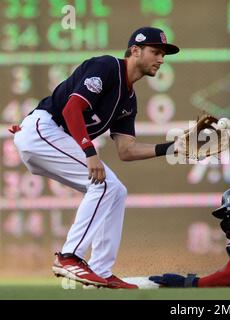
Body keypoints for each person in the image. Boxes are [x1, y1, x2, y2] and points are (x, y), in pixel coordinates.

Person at [11, 27, 180, 289]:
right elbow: (72, 108)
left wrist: (173, 148)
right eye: (156, 52)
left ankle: (101, 271)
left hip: (52, 139)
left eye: (163, 55)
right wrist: (90, 152)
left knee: (116, 191)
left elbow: (126, 150)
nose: (161, 59)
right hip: (42, 130)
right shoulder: (108, 67)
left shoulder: (129, 99)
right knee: (104, 185)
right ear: (135, 51)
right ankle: (69, 257)